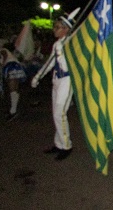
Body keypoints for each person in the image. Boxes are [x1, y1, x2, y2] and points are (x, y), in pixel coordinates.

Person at [31, 8, 80, 161]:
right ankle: (59, 143)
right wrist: (38, 76)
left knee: (60, 113)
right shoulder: (57, 44)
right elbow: (50, 62)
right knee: (56, 113)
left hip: (67, 80)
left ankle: (66, 145)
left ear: (66, 29)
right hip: (57, 80)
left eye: (57, 27)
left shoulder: (71, 42)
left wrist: (70, 39)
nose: (54, 29)